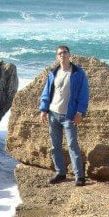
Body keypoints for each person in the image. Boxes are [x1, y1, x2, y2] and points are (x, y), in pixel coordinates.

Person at [39, 45, 89, 186]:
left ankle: (79, 176)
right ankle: (60, 172)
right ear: (57, 57)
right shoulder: (53, 73)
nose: (63, 55)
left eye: (65, 53)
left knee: (72, 145)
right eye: (60, 53)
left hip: (69, 116)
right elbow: (46, 92)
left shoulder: (78, 73)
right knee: (55, 146)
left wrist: (79, 112)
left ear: (69, 55)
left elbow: (84, 95)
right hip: (53, 114)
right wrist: (44, 109)